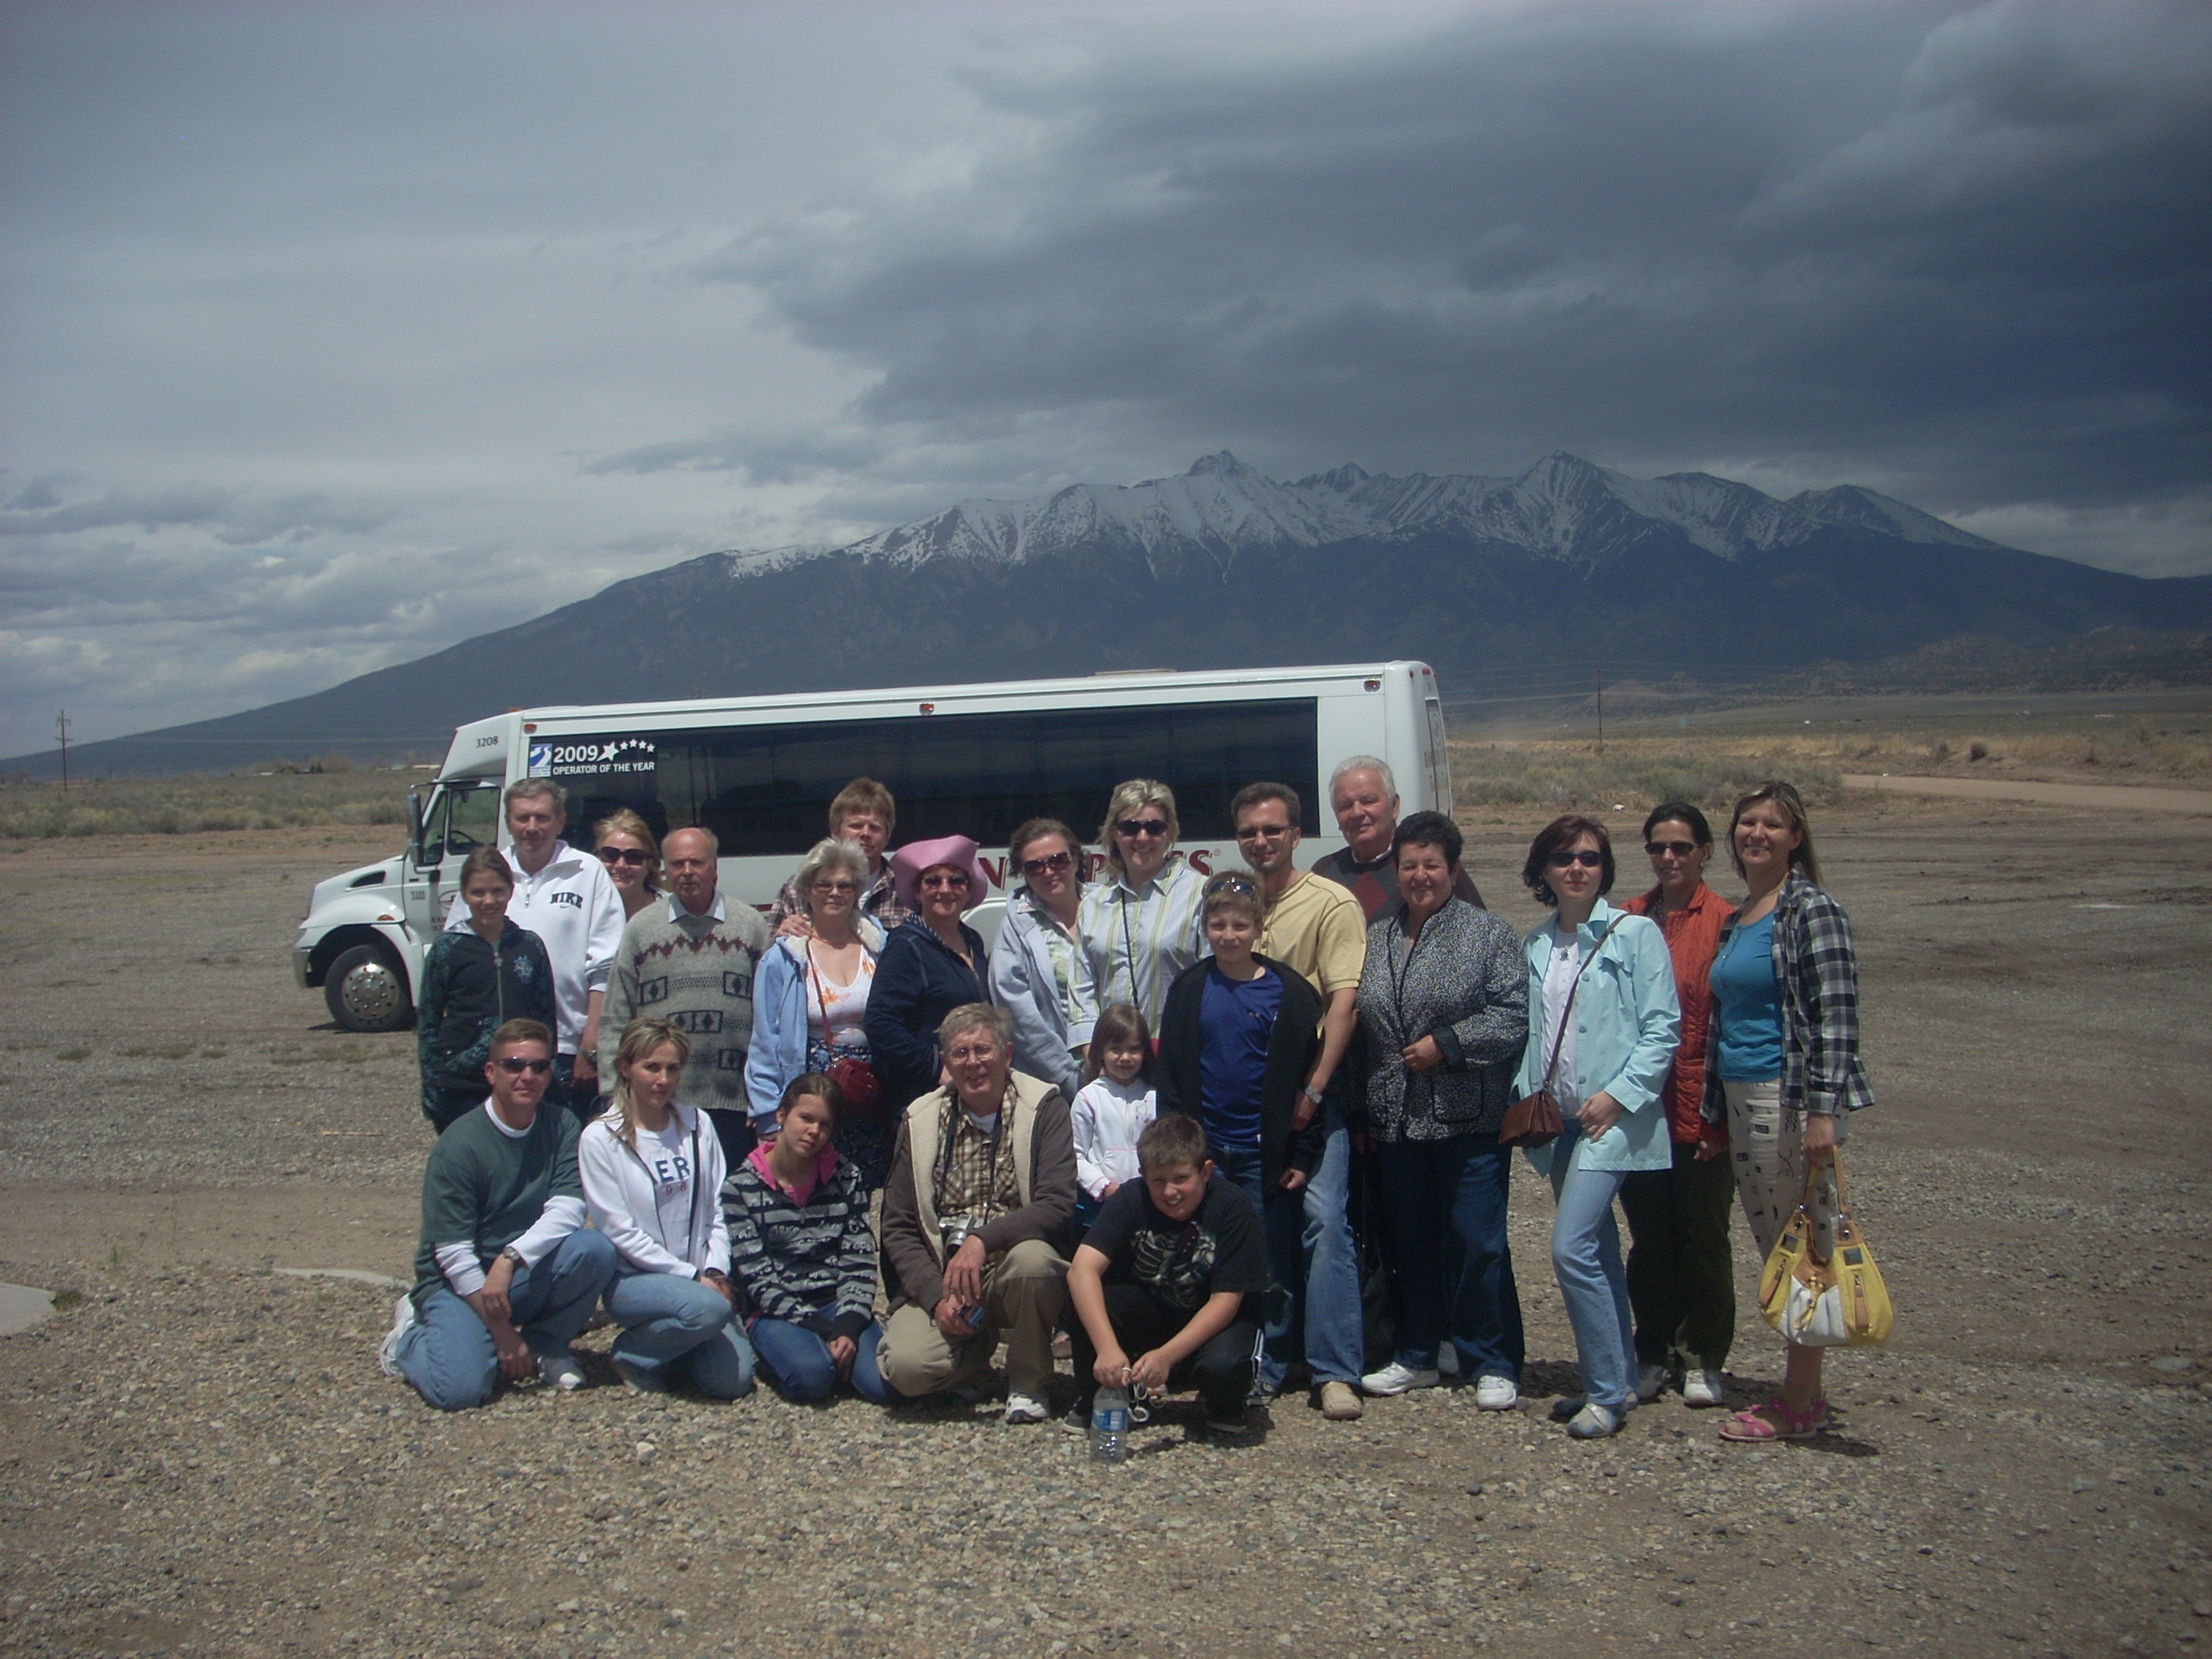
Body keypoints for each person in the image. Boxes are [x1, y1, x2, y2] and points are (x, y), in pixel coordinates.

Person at [1708, 782, 1875, 1445]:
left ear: (1796, 837)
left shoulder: (1811, 911)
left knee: (1804, 1246)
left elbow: (1836, 1016)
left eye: (1772, 825)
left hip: (1788, 1096)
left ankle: (1799, 1401)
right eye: (1747, 823)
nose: (1757, 834)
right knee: (1776, 1245)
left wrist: (1823, 1112)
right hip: (1744, 1095)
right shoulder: (1742, 915)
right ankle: (1807, 1390)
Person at [1352, 811, 1529, 1404]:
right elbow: (1365, 1027)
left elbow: (1512, 1016)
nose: (1420, 876)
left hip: (1466, 1117)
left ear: (1453, 869)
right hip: (1397, 1122)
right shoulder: (1377, 935)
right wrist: (1364, 1109)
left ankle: (1492, 1361)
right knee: (1411, 1244)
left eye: (1432, 864)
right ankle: (1418, 1354)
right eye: (1410, 865)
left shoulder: (1489, 934)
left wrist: (1447, 1044)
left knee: (1477, 1242)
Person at [1514, 816, 1681, 1439]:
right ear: (1544, 870)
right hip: (1558, 1125)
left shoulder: (1634, 934)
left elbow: (1663, 1028)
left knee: (1571, 1246)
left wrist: (1619, 1096)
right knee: (1601, 1251)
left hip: (1611, 1122)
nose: (1577, 868)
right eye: (1563, 858)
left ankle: (1607, 1394)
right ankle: (1616, 1377)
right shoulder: (1535, 945)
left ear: (1605, 868)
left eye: (1589, 857)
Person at [1155, 873, 1342, 1415]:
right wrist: (1179, 1152)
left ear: (1260, 927)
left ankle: (1272, 1363)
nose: (1229, 935)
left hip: (1264, 1154)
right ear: (1205, 927)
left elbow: (1307, 1084)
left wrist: (1302, 1154)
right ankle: (1210, 1357)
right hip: (1207, 1155)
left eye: (1240, 924)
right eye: (1218, 924)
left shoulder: (1291, 994)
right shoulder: (1189, 989)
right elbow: (1172, 1076)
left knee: (1269, 1264)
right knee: (1206, 1259)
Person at [380, 1018, 619, 1410]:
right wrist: (502, 1331)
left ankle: (545, 1346)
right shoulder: (459, 1145)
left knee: (594, 1250)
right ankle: (408, 1337)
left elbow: (569, 1208)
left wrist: (511, 1259)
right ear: (491, 1073)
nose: (528, 1076)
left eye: (539, 1067)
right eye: (514, 1065)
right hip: (457, 1284)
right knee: (461, 1390)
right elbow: (452, 1252)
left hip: (514, 1273)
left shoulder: (561, 1125)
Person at [1230, 781, 1368, 1422]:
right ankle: (1272, 1358)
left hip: (1310, 1091)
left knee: (1325, 1220)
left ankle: (1336, 1369)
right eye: (1249, 832)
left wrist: (1314, 1089)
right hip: (1247, 1096)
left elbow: (1344, 1002)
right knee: (1265, 1224)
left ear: (1295, 834)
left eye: (1272, 829)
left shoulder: (1329, 903)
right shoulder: (1234, 901)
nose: (1261, 841)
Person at [877, 1004, 1077, 1423]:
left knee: (1035, 1261)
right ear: (946, 1062)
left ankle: (1028, 1383)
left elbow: (1057, 1202)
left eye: (983, 1050)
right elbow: (898, 1225)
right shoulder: (919, 1120)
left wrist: (983, 1240)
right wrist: (934, 1297)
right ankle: (973, 1352)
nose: (973, 1063)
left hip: (1011, 1267)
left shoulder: (1045, 1107)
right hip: (944, 1274)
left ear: (1008, 1054)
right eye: (960, 1053)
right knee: (907, 1371)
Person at [1618, 801, 1737, 1409]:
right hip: (1641, 1109)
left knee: (1703, 1240)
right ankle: (1653, 1351)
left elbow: (1729, 1023)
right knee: (1650, 1239)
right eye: (1658, 847)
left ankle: (1703, 1356)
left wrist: (1720, 1118)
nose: (1668, 858)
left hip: (1700, 1106)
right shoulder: (1628, 917)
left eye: (1681, 847)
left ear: (1704, 853)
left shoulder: (1726, 922)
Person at [577, 1018, 754, 1397]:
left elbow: (718, 1208)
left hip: (701, 1278)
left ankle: (675, 1346)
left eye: (672, 1068)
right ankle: (633, 1353)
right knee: (710, 1311)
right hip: (636, 1280)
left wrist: (715, 1270)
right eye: (651, 1067)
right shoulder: (600, 1138)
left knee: (732, 1383)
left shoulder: (698, 1124)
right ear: (626, 1068)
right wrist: (691, 1278)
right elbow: (619, 1231)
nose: (663, 1080)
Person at [1068, 1113, 1270, 1443]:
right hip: (1153, 1311)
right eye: (1158, 1181)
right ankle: (1097, 1395)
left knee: (1225, 1364)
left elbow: (1226, 1301)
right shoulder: (1130, 1198)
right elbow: (1082, 1269)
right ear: (1143, 1175)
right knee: (1085, 1296)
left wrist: (1167, 1356)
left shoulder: (1233, 1208)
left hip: (1212, 1320)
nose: (1170, 1191)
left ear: (1206, 1171)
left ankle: (1225, 1403)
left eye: (1181, 1178)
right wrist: (1107, 1348)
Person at [442, 778, 624, 1122]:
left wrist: (590, 1044)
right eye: (522, 818)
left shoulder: (588, 872)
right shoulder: (488, 872)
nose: (531, 827)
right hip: (495, 1048)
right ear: (508, 822)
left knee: (565, 1140)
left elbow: (606, 965)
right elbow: (456, 952)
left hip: (567, 1046)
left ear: (560, 821)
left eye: (542, 817)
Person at [596, 826, 772, 1167]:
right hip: (658, 1102)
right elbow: (617, 1013)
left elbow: (769, 1019)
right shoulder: (641, 929)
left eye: (697, 862)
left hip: (733, 1104)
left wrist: (765, 1098)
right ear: (665, 870)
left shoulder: (751, 926)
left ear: (715, 868)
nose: (687, 872)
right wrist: (613, 1092)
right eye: (678, 864)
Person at [723, 1074, 892, 1404]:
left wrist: (848, 1325)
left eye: (825, 1124)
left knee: (885, 1386)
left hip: (834, 1301)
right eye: (806, 1118)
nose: (814, 1131)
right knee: (811, 1380)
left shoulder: (847, 1177)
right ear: (781, 1114)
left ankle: (837, 1357)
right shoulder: (739, 1187)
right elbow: (757, 1279)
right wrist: (825, 1330)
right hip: (775, 1309)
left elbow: (858, 1259)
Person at [747, 838, 892, 1186]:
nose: (835, 893)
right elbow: (765, 1040)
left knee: (867, 1189)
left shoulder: (880, 946)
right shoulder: (783, 958)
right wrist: (768, 1114)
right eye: (824, 885)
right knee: (812, 1189)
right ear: (806, 892)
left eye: (845, 885)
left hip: (872, 1093)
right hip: (814, 1095)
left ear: (857, 891)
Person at [416, 846, 557, 1133]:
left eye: (497, 891)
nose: (488, 901)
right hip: (462, 1081)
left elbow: (546, 1018)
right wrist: (432, 1082)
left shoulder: (529, 946)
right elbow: (428, 1020)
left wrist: (546, 1070)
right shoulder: (448, 948)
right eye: (478, 893)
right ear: (464, 894)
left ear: (511, 891)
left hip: (520, 1077)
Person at [1068, 780, 1207, 1050]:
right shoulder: (1094, 904)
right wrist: (1091, 1051)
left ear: (1169, 832)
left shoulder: (1200, 894)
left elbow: (1214, 984)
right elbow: (1081, 987)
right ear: (1114, 834)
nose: (1142, 838)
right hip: (1113, 1062)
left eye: (1154, 827)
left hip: (1177, 1054)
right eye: (1130, 828)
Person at [864, 836, 994, 1115]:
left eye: (956, 881)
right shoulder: (906, 946)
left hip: (970, 1090)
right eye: (933, 881)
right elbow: (881, 1024)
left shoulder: (972, 939)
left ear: (968, 890)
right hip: (924, 1099)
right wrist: (936, 1066)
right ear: (917, 892)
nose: (945, 889)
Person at [1310, 757, 1483, 921]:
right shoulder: (1324, 873)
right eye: (1345, 806)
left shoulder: (1428, 869)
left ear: (1394, 806)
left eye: (1368, 801)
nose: (1357, 813)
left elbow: (1477, 929)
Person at [989, 817, 1088, 1101]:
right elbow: (1016, 1012)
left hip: (1117, 1070)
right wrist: (1067, 1075)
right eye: (1034, 866)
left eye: (1058, 860)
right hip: (1051, 1083)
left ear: (1076, 861)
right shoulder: (1014, 928)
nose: (1048, 871)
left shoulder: (1107, 909)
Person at [768, 778, 909, 936]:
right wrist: (781, 934)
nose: (865, 833)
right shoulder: (797, 888)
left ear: (887, 836)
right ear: (835, 831)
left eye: (875, 828)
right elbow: (768, 947)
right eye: (856, 826)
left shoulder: (906, 890)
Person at [1069, 1002, 1158, 1232]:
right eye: (1116, 1049)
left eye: (1134, 1049)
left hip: (1147, 1203)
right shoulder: (1088, 1098)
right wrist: (1103, 1187)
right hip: (1100, 1208)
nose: (1125, 1057)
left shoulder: (1154, 1097)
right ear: (1100, 1051)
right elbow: (1075, 1155)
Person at [592, 808, 665, 923]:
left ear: (649, 864)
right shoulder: (579, 910)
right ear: (596, 858)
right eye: (610, 854)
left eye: (634, 856)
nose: (621, 865)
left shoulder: (671, 911)